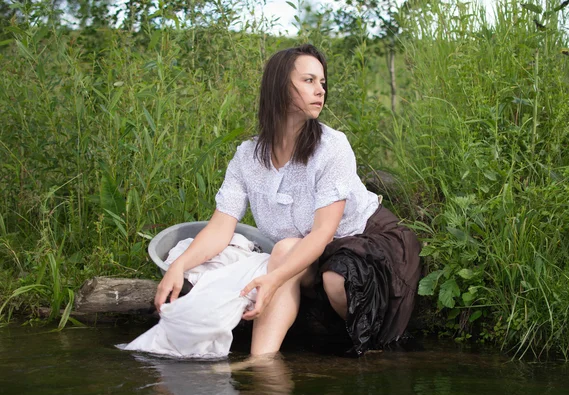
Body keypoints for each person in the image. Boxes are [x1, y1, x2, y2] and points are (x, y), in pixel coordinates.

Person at [154, 44, 421, 356]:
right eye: (308, 81)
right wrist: (178, 265)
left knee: (334, 277)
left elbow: (323, 232)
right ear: (280, 87)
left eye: (322, 82)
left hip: (364, 239)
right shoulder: (247, 157)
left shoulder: (332, 147)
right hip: (304, 253)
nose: (320, 90)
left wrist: (273, 279)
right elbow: (220, 228)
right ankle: (262, 363)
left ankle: (350, 343)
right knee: (284, 250)